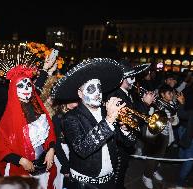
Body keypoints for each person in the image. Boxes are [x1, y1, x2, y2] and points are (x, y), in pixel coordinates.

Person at [51, 58, 137, 189]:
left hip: (109, 181)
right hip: (84, 184)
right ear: (80, 93)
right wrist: (109, 121)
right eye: (90, 88)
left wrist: (125, 129)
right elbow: (83, 149)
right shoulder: (70, 117)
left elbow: (129, 144)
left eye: (99, 87)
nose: (97, 92)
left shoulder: (106, 112)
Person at [0, 65, 56, 189]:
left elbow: (50, 133)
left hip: (44, 168)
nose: (26, 88)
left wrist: (51, 149)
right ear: (13, 89)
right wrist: (21, 160)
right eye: (20, 85)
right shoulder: (8, 116)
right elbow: (0, 148)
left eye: (28, 84)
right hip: (20, 171)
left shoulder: (38, 108)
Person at [107, 62, 155, 189]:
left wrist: (144, 102)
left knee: (122, 169)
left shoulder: (126, 93)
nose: (134, 81)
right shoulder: (117, 95)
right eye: (131, 77)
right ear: (123, 79)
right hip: (118, 144)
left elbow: (133, 110)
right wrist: (145, 104)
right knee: (117, 173)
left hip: (125, 142)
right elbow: (131, 121)